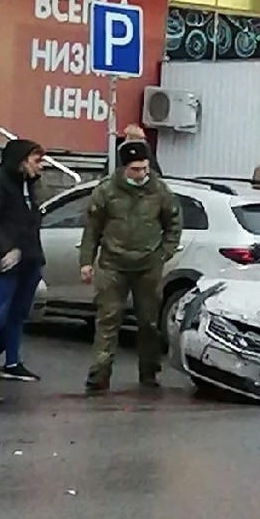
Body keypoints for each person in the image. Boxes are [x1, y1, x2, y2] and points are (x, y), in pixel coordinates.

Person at [79, 140, 182, 393]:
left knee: (149, 323)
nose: (142, 174)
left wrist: (163, 254)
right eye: (136, 169)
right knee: (108, 319)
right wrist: (86, 262)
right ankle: (99, 374)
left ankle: (149, 372)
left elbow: (174, 223)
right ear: (125, 168)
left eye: (145, 168)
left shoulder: (159, 191)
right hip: (113, 264)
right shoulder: (106, 191)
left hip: (148, 266)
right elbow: (92, 229)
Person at [0, 139, 46, 384]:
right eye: (36, 161)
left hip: (30, 258)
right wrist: (6, 248)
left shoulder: (29, 185)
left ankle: (13, 363)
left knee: (19, 313)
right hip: (9, 260)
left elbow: (30, 221)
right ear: (21, 160)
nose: (40, 167)